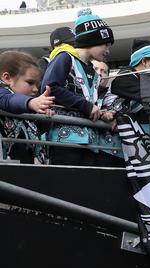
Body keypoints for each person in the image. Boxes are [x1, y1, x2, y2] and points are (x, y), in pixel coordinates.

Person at [40, 8, 114, 166]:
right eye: (105, 45)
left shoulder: (92, 71)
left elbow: (88, 103)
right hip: (65, 142)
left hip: (90, 144)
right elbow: (50, 88)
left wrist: (101, 113)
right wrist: (86, 106)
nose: (108, 51)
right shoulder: (64, 58)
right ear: (91, 40)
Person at [0, 50, 54, 163]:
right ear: (7, 78)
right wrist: (31, 103)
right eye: (30, 82)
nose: (35, 89)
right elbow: (8, 100)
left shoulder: (27, 101)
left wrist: (44, 115)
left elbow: (38, 130)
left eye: (37, 85)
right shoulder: (5, 94)